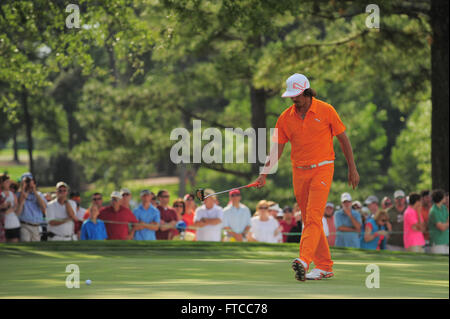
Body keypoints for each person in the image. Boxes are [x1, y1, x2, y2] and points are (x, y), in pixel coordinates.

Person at [253, 73, 359, 281]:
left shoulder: (326, 110)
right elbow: (276, 149)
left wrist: (352, 168)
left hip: (323, 168)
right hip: (299, 172)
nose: (294, 100)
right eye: (291, 96)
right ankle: (325, 266)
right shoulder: (284, 118)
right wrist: (264, 173)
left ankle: (304, 260)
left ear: (307, 92)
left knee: (312, 216)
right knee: (311, 219)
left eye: (297, 95)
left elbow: (343, 139)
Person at [16, 172, 47, 242]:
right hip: (24, 224)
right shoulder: (18, 194)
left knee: (36, 246)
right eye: (26, 181)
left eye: (29, 181)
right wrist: (23, 188)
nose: (28, 183)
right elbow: (20, 203)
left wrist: (34, 191)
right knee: (25, 240)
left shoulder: (39, 194)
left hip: (36, 226)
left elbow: (43, 207)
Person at [428, 189, 449, 254]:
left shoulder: (444, 208)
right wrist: (446, 224)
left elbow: (447, 221)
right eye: (444, 196)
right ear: (441, 198)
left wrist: (445, 224)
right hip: (437, 243)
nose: (446, 197)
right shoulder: (433, 211)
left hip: (446, 242)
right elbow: (442, 228)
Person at [1, 173, 20, 242]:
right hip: (2, 226)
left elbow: (16, 205)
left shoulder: (12, 194)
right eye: (6, 182)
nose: (9, 183)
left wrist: (10, 209)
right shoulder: (1, 194)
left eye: (9, 182)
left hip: (13, 225)